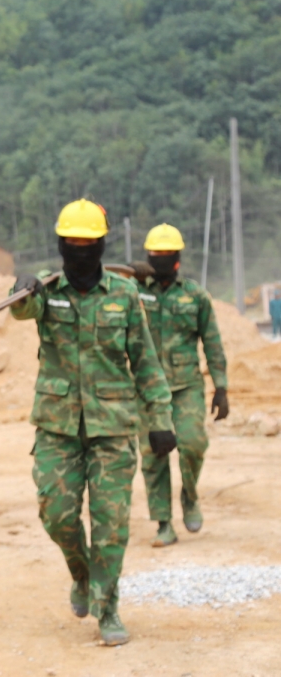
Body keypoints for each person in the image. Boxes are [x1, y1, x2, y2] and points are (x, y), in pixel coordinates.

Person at [10, 199, 175, 647]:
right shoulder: (48, 290)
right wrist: (21, 290)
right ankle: (81, 576)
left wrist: (160, 418)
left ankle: (107, 606)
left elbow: (146, 362)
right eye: (72, 243)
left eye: (88, 243)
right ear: (61, 245)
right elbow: (21, 311)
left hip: (114, 427)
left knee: (111, 524)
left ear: (101, 244)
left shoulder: (123, 295)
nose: (80, 251)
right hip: (58, 427)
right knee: (58, 516)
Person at [130, 224, 229, 547]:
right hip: (147, 389)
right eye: (153, 256)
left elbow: (212, 344)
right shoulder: (134, 289)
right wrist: (130, 272)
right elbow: (102, 277)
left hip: (186, 385)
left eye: (165, 255)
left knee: (192, 444)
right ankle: (163, 524)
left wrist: (222, 387)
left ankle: (189, 496)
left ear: (177, 258)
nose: (158, 261)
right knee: (154, 455)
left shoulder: (195, 296)